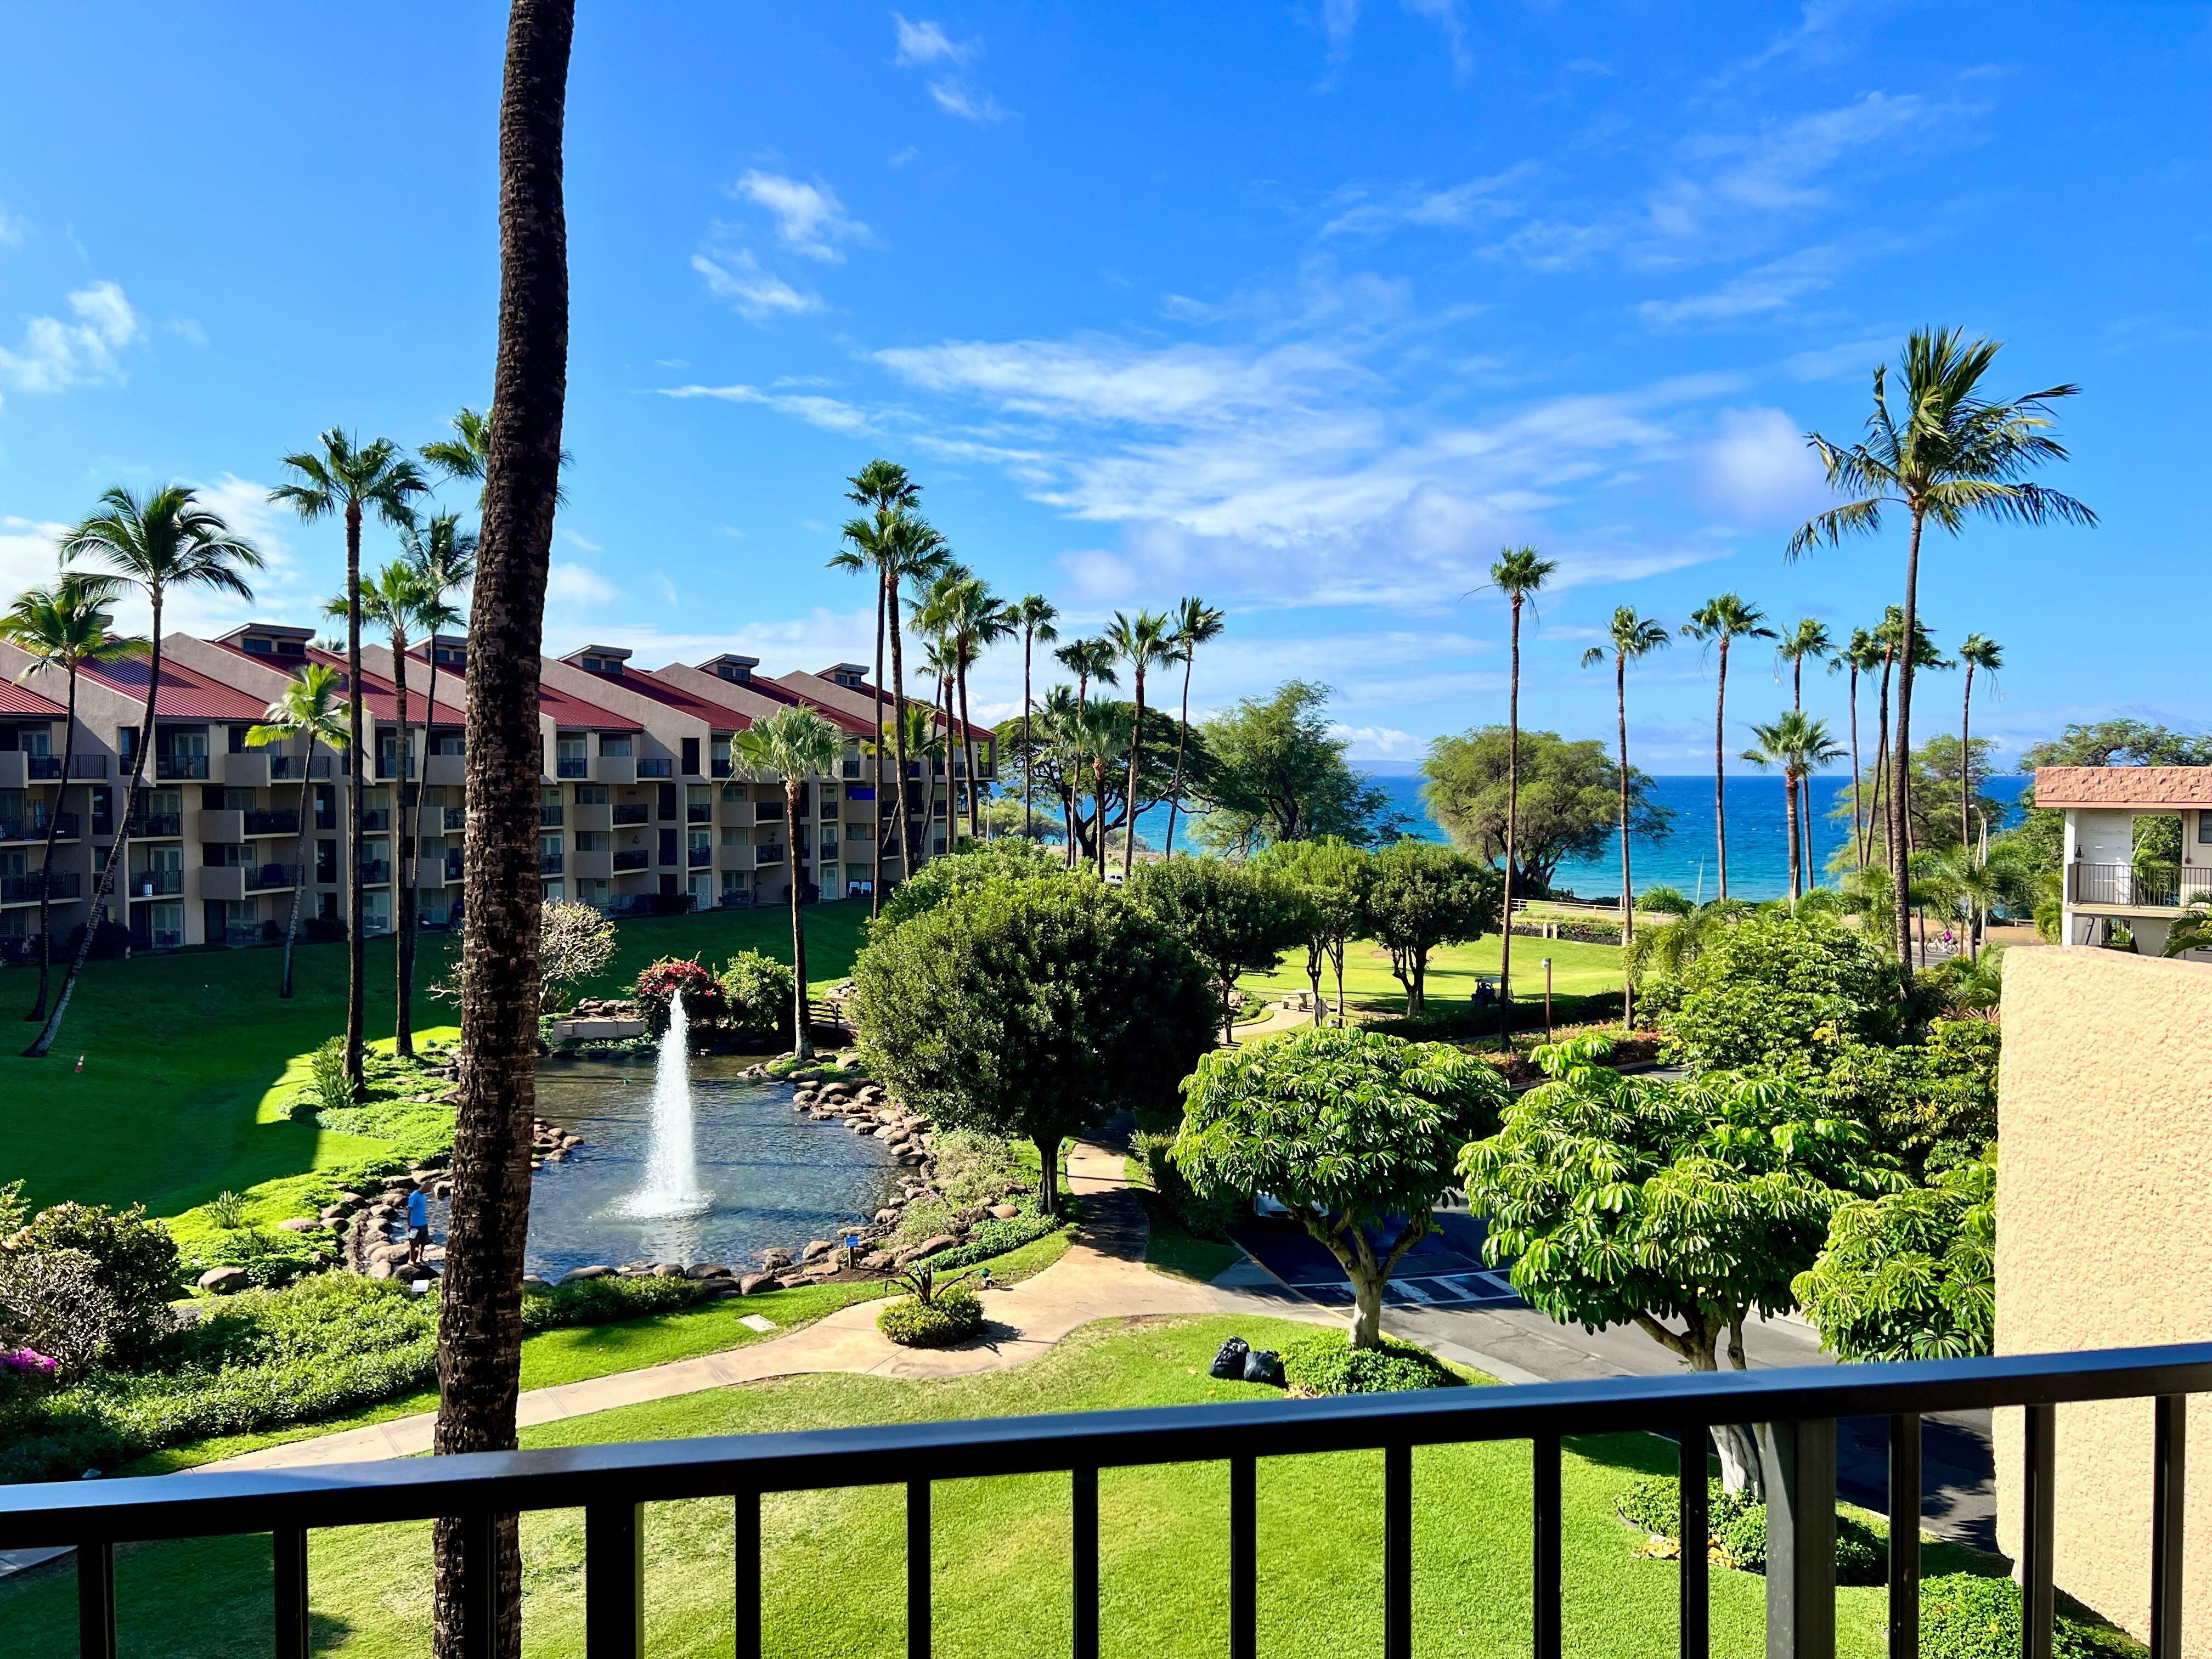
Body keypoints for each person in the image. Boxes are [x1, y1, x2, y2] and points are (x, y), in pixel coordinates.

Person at [407, 1186, 430, 1265]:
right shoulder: (414, 1196)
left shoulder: (424, 1195)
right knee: (413, 1243)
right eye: (429, 1188)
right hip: (414, 1224)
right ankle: (411, 1259)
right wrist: (409, 1224)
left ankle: (420, 1257)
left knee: (424, 1242)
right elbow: (409, 1210)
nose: (430, 1190)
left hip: (423, 1223)